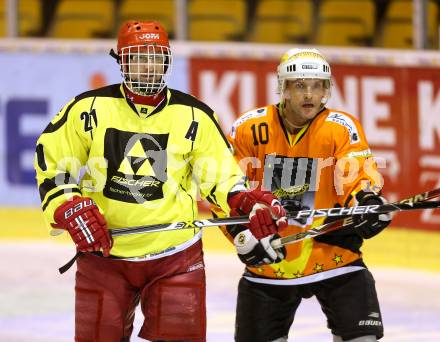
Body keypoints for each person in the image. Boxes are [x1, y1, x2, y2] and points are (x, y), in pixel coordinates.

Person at [34, 20, 286, 342]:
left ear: (166, 61)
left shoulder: (195, 115)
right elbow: (53, 159)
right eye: (138, 56)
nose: (147, 65)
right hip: (104, 257)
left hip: (175, 256)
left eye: (155, 56)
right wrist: (67, 203)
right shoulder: (89, 108)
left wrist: (243, 199)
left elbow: (220, 175)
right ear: (122, 61)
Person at [220, 48, 392, 342]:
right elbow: (224, 189)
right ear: (283, 88)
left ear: (327, 89)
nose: (309, 94)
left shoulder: (340, 127)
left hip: (335, 257)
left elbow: (359, 174)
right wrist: (240, 234)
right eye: (300, 85)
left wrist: (367, 201)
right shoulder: (249, 128)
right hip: (271, 263)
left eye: (317, 85)